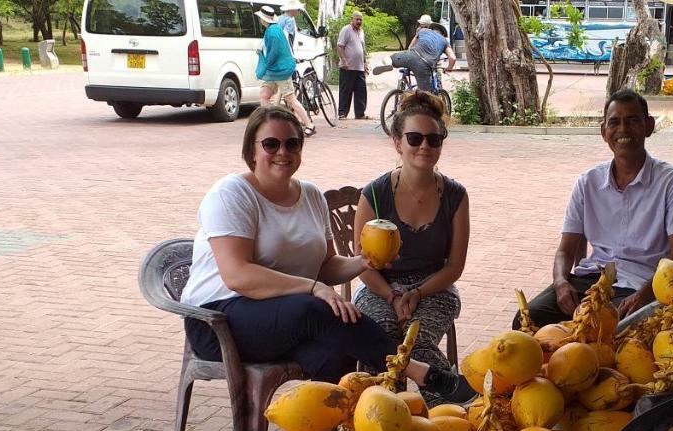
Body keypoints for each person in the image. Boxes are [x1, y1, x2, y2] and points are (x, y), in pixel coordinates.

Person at [180, 105, 473, 401]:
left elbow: (325, 266)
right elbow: (237, 275)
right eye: (271, 144)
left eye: (292, 143)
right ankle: (421, 372)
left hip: (284, 320)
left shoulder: (310, 196)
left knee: (337, 354)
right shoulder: (232, 193)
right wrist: (313, 288)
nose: (283, 151)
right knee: (315, 308)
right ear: (252, 150)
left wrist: (362, 262)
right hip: (219, 321)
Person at [518, 90, 673, 329]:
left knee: (609, 331)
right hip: (591, 280)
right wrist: (561, 282)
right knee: (527, 321)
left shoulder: (672, 182)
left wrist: (645, 296)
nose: (623, 129)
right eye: (614, 122)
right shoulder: (588, 183)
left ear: (649, 126)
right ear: (604, 131)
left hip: (643, 285)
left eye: (633, 120)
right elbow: (566, 250)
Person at [354, 91, 469, 404]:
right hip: (380, 287)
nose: (425, 147)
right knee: (380, 337)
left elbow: (454, 266)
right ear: (397, 142)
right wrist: (392, 296)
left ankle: (448, 417)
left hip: (434, 287)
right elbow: (363, 265)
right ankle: (383, 418)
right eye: (415, 138)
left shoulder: (455, 196)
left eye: (434, 139)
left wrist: (417, 293)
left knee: (415, 342)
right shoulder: (375, 194)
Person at [255, 5, 315, 135]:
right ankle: (269, 124)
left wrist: (264, 66)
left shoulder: (272, 32)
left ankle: (310, 124)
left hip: (280, 71)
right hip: (275, 71)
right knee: (264, 96)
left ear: (263, 19)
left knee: (290, 99)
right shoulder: (273, 29)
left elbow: (273, 53)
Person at [383, 14, 456, 93]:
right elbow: (452, 58)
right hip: (423, 65)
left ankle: (388, 64)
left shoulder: (423, 31)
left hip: (411, 55)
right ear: (443, 34)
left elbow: (411, 46)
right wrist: (449, 68)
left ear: (431, 29)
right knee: (425, 97)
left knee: (388, 58)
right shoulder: (444, 41)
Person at [337, 11, 369, 119]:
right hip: (348, 67)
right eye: (357, 19)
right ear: (352, 19)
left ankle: (360, 114)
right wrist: (344, 61)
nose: (359, 21)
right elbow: (340, 46)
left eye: (360, 19)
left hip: (359, 67)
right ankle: (342, 113)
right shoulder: (346, 30)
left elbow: (363, 49)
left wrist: (365, 63)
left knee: (361, 91)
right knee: (346, 91)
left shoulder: (361, 32)